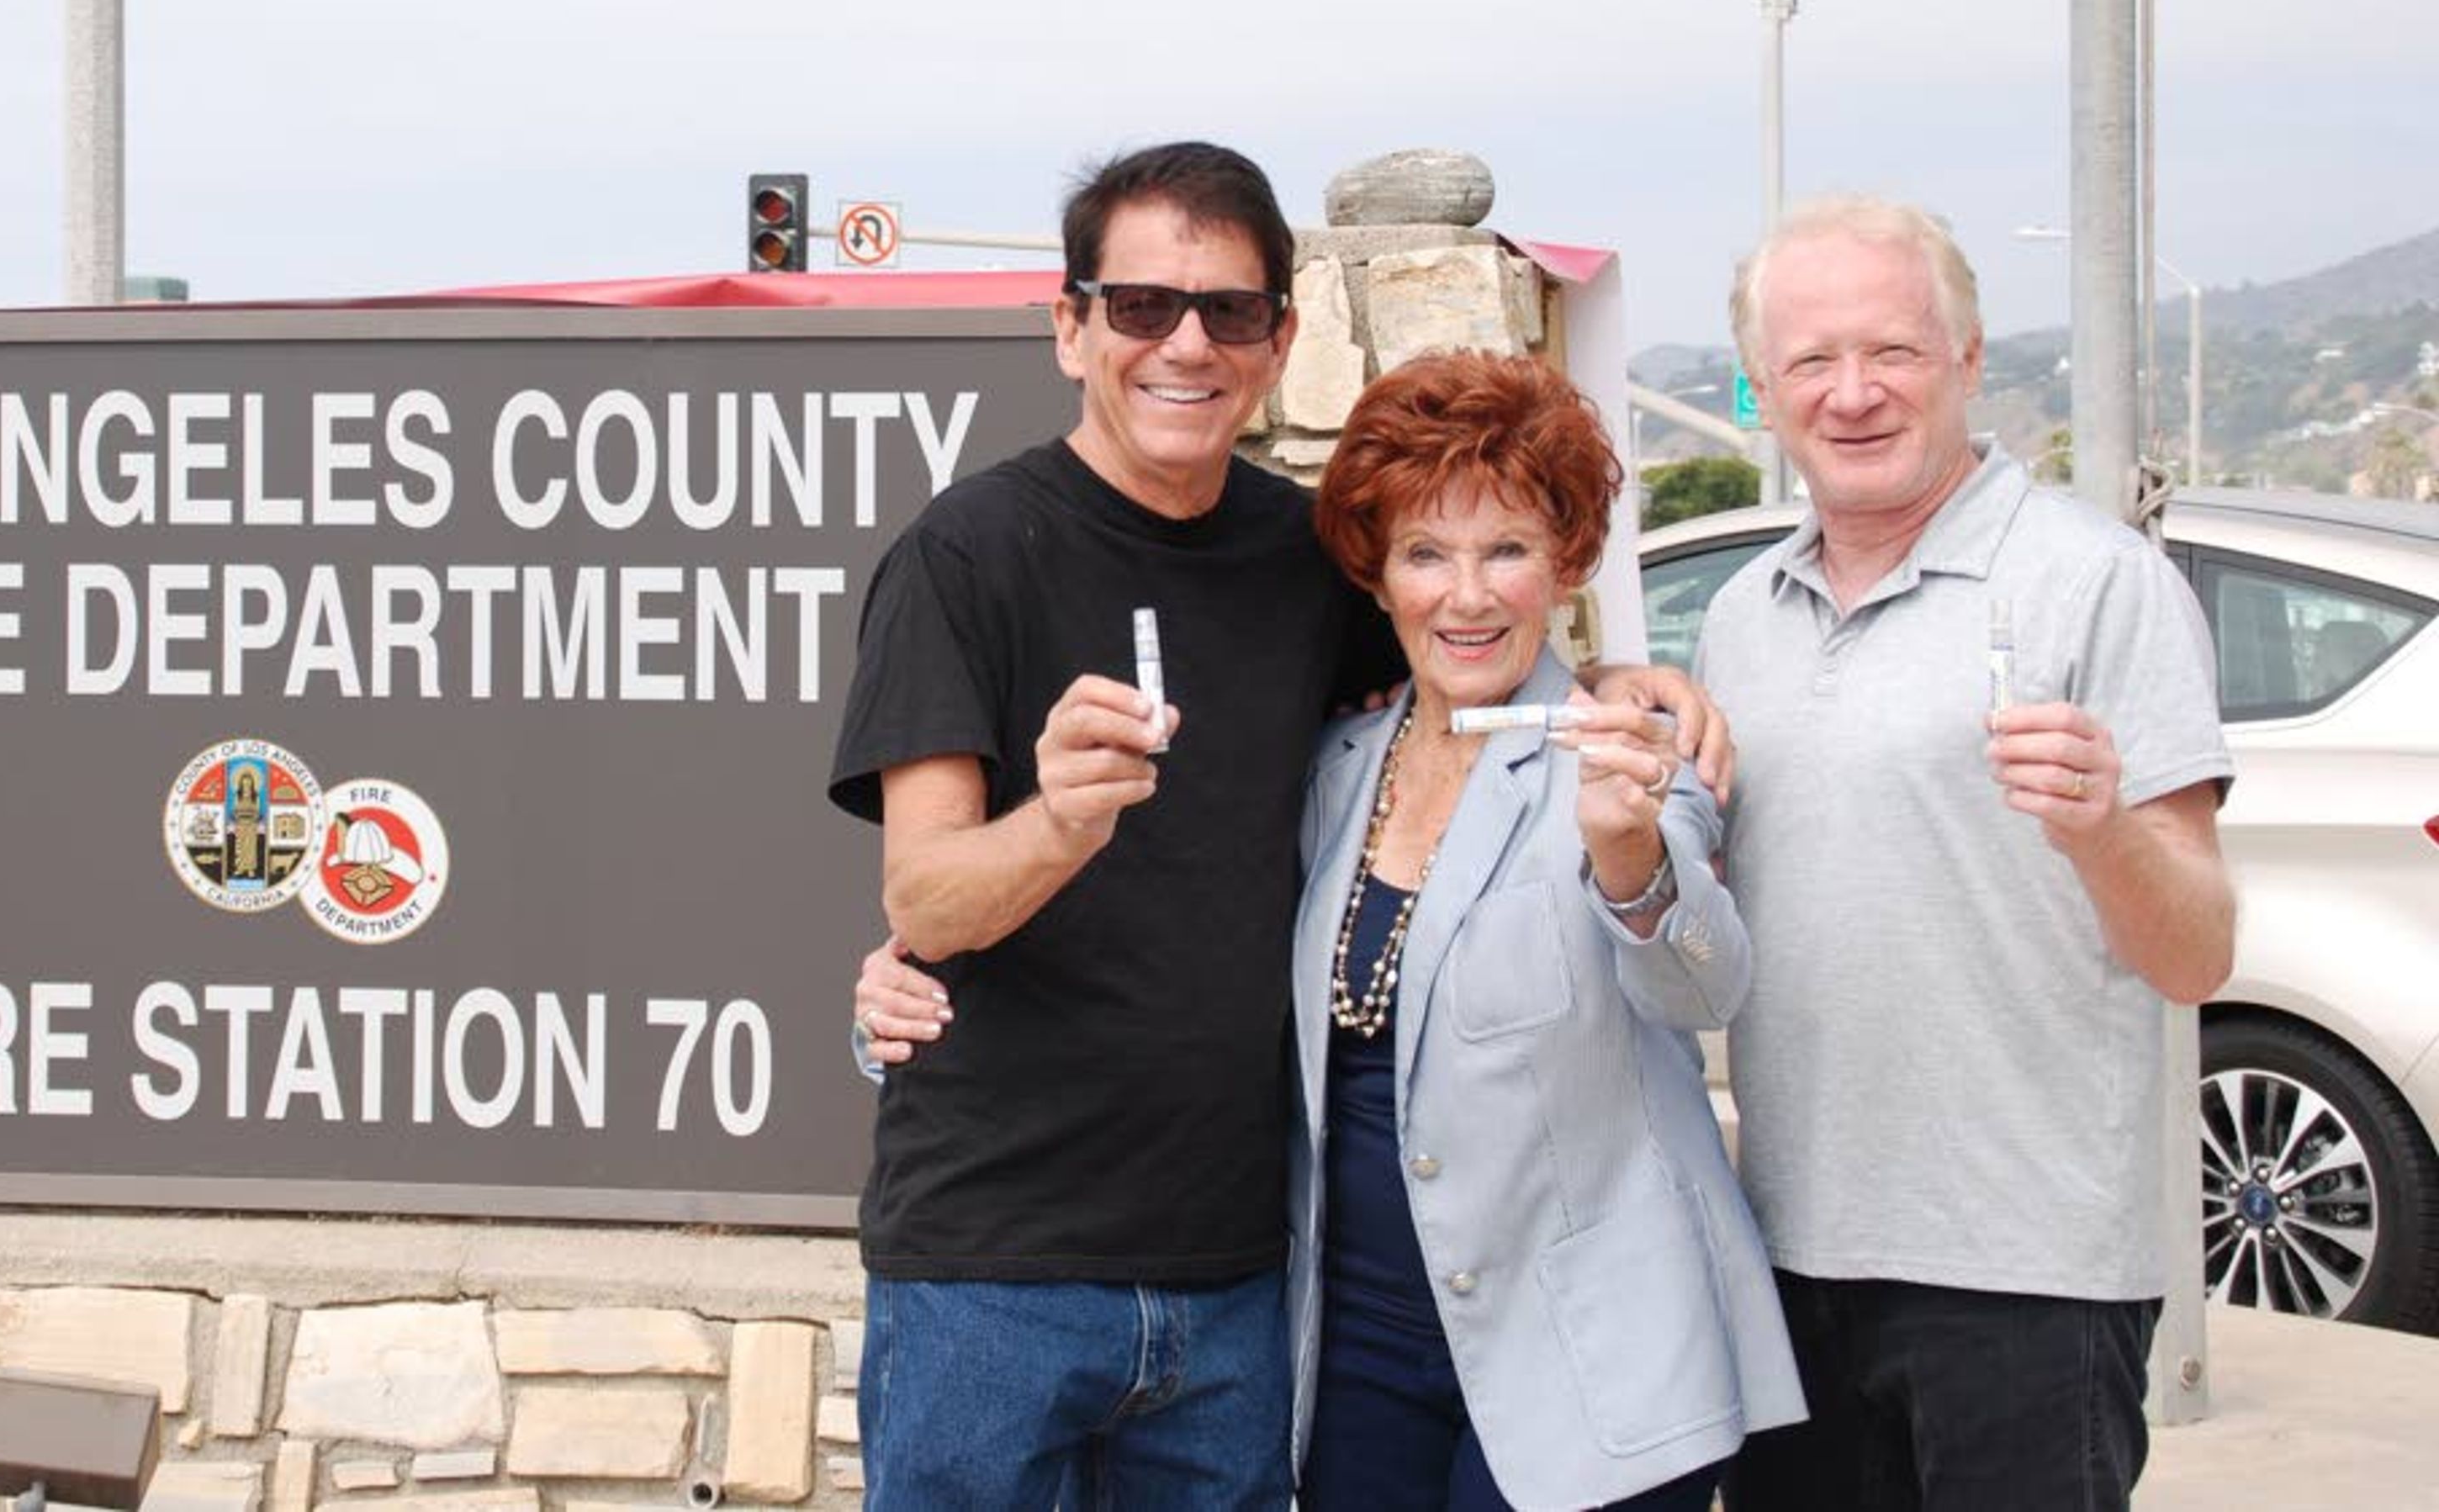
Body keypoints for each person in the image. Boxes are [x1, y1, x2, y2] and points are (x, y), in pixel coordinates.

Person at [828, 140, 1717, 1510]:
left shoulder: (1312, 564)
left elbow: (1465, 656)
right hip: (993, 1271)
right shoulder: (967, 554)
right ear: (1070, 328)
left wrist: (1610, 688)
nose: (1184, 342)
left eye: (1228, 311)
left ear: (1279, 340)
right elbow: (929, 900)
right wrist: (1059, 823)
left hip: (1246, 1283)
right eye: (1139, 306)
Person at [1709, 196, 2234, 1512]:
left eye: (1892, 350)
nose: (1853, 393)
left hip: (2029, 1275)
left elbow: (2198, 951)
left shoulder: (2097, 583)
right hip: (1787, 1260)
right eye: (1811, 362)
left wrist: (2102, 825)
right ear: (1763, 390)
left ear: (1970, 359)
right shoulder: (1736, 615)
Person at [1283, 348, 1802, 1510]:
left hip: (1597, 1357)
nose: (1466, 595)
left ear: (1566, 563)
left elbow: (1703, 986)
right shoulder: (1332, 770)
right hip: (1361, 1352)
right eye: (1426, 553)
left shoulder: (1623, 747)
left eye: (1506, 549)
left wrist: (1630, 857)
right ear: (1378, 575)